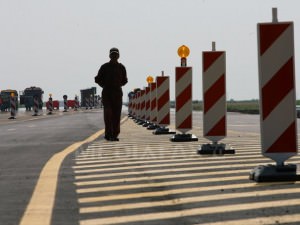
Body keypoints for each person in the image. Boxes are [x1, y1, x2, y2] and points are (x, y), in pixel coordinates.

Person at [95, 48, 128, 141]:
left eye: (116, 54)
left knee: (117, 115)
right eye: (112, 54)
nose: (114, 56)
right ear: (109, 55)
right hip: (107, 93)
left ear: (118, 56)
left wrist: (118, 85)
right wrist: (104, 86)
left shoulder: (121, 67)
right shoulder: (104, 67)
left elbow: (125, 80)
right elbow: (97, 79)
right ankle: (108, 134)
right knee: (108, 114)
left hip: (117, 93)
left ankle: (115, 134)